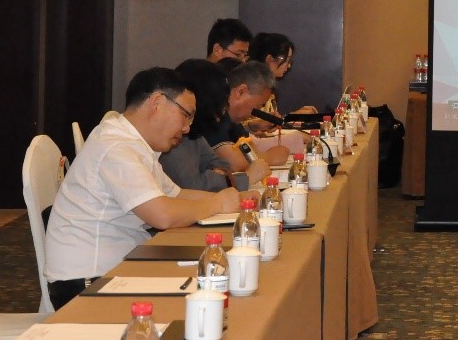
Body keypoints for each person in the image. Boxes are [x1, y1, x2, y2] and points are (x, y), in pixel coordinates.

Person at [44, 68, 243, 308]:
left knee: (208, 284)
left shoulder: (134, 143)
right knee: (205, 296)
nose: (187, 128)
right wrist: (218, 203)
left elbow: (177, 195)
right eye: (186, 115)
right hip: (87, 282)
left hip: (115, 268)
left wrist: (237, 199)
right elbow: (162, 215)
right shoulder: (116, 147)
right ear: (157, 103)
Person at [160, 59, 271, 192]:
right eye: (217, 105)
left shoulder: (195, 132)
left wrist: (214, 177)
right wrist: (245, 178)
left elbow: (221, 165)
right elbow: (194, 186)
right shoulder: (170, 135)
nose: (220, 115)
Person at [195, 60, 291, 169]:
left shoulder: (233, 122)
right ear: (240, 92)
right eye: (258, 106)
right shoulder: (213, 115)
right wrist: (269, 157)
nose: (257, 112)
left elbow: (250, 148)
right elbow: (230, 162)